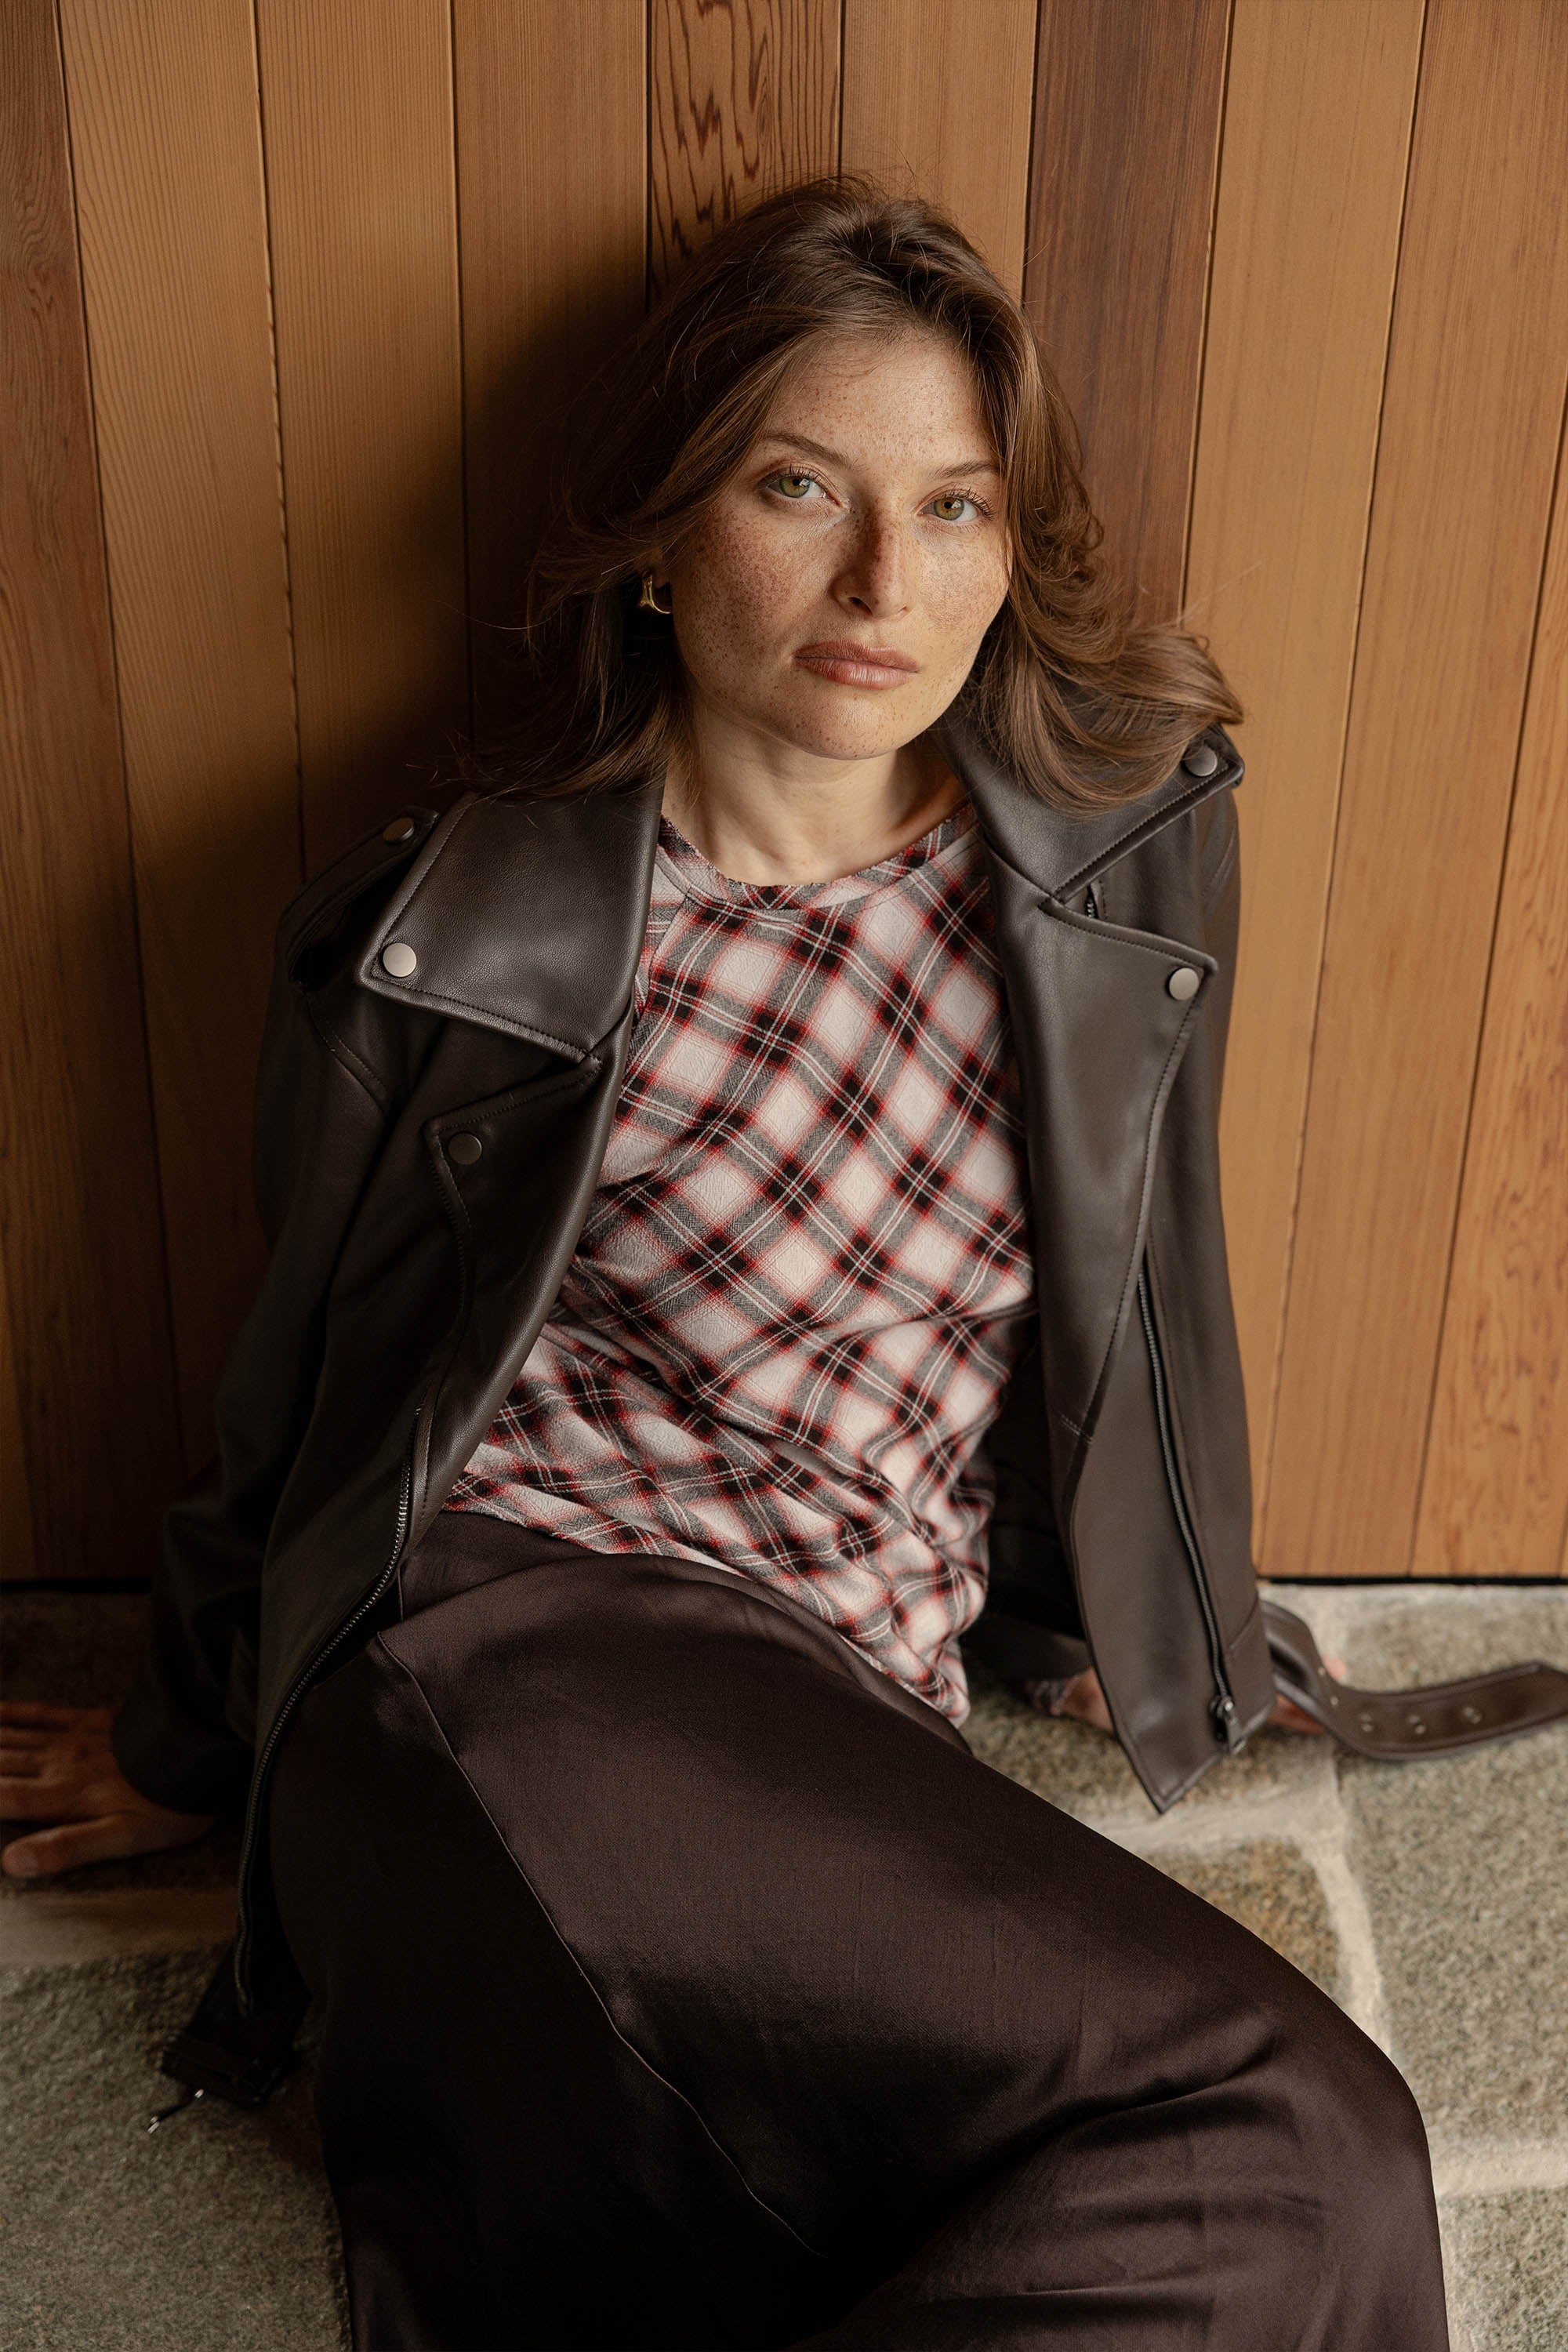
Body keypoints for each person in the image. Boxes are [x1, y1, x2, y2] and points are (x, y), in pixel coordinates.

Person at [1, 179, 1454, 2350]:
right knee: (1290, 2137)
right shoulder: (450, 937)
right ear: (663, 540)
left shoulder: (1124, 854)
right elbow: (300, 1386)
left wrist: (1110, 1599)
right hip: (513, 1650)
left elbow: (1146, 1276)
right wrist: (189, 1740)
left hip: (844, 1709)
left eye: (954, 507)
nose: (887, 586)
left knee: (1214, 2199)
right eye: (800, 489)